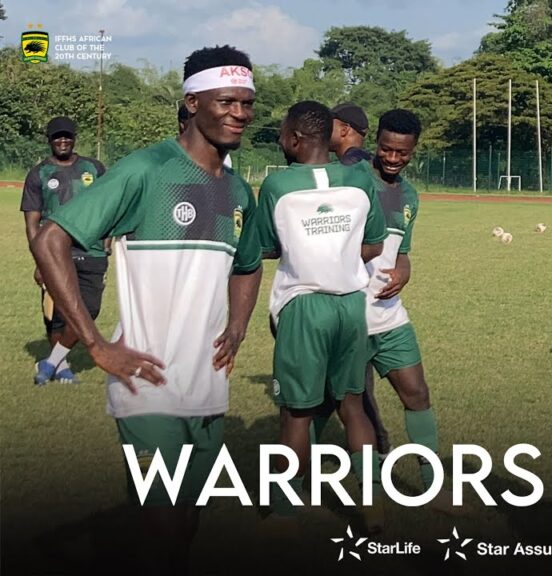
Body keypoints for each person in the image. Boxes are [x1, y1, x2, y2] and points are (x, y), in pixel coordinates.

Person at [31, 45, 263, 574]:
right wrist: (95, 345)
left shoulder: (237, 190)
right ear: (192, 102)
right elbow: (51, 240)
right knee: (162, 526)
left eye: (247, 103)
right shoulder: (147, 169)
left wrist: (239, 326)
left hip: (208, 381)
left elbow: (247, 265)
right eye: (225, 100)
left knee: (185, 524)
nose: (239, 113)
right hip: (146, 380)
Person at [252, 101, 387, 529]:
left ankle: (284, 507)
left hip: (304, 306)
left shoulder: (277, 187)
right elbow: (375, 244)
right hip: (351, 305)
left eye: (279, 134)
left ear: (294, 139)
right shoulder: (360, 180)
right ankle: (371, 500)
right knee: (352, 405)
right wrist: (340, 251)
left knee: (296, 412)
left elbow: (262, 246)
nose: (278, 140)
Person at [359, 109, 450, 509]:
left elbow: (404, 252)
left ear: (414, 150)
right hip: (347, 317)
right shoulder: (353, 183)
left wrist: (404, 272)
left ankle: (432, 485)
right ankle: (370, 490)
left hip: (390, 315)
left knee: (417, 393)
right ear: (375, 143)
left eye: (403, 153)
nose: (393, 158)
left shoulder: (410, 195)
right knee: (343, 406)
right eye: (386, 149)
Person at [22, 116, 108, 385]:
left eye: (67, 136)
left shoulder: (94, 169)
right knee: (57, 314)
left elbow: (109, 206)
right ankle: (61, 366)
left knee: (90, 310)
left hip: (92, 249)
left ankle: (50, 361)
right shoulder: (39, 174)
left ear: (74, 138)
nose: (62, 141)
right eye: (57, 136)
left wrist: (107, 242)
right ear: (49, 140)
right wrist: (40, 259)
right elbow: (32, 222)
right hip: (55, 253)